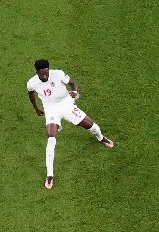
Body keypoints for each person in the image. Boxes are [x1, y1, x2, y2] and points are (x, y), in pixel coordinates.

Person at [26, 58, 114, 189]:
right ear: (37, 72)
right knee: (51, 138)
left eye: (46, 72)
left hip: (66, 104)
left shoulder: (58, 74)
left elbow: (73, 83)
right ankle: (50, 175)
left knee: (91, 126)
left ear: (49, 70)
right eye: (41, 74)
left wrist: (75, 91)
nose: (44, 76)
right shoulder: (32, 83)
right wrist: (36, 108)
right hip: (51, 109)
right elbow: (30, 94)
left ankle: (101, 138)